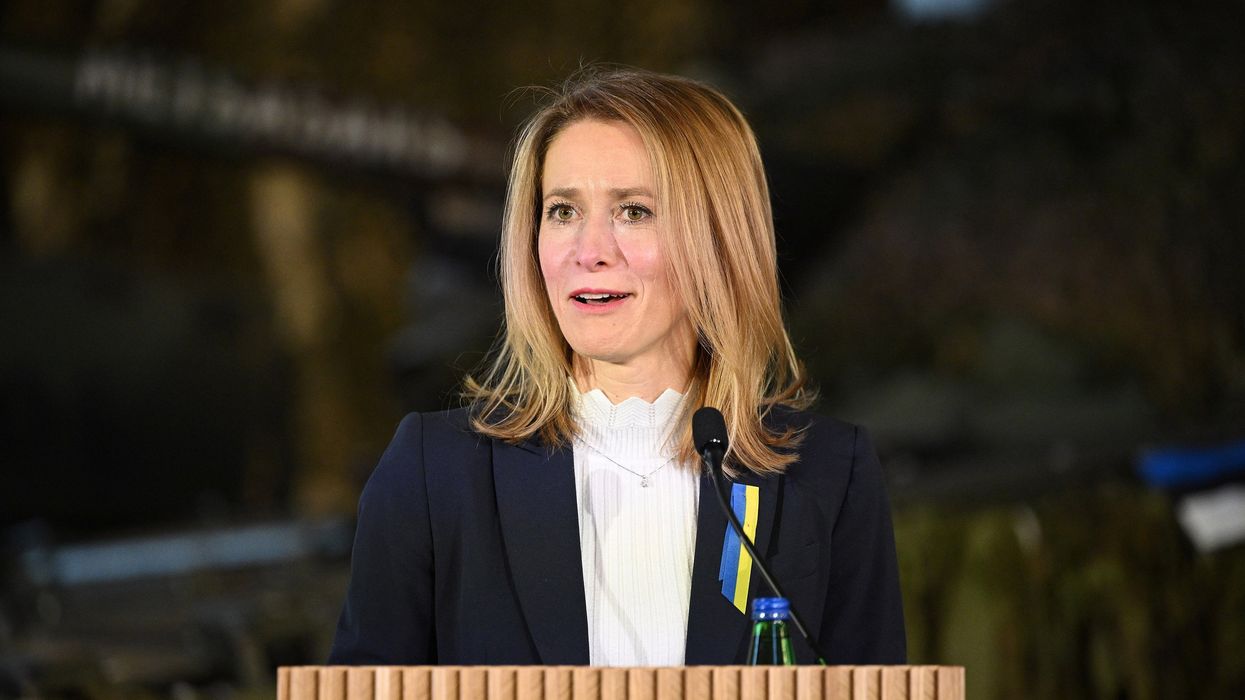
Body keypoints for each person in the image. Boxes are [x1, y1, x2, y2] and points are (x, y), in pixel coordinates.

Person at [328, 67, 906, 666]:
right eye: (562, 211)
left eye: (633, 211)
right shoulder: (434, 473)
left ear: (719, 237)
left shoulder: (830, 474)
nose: (589, 251)